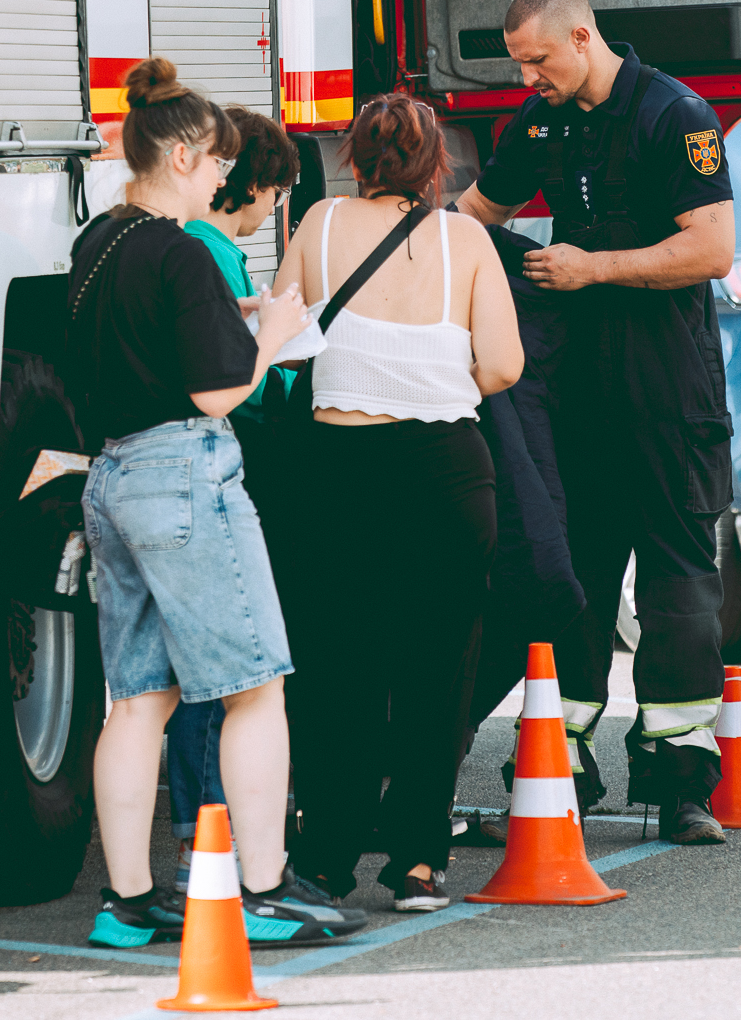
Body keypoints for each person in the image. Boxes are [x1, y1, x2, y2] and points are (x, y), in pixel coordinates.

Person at [74, 58, 366, 948]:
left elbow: (142, 343)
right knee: (256, 686)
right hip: (184, 474)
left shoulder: (100, 240)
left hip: (112, 475)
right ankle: (265, 888)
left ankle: (128, 901)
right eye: (215, 162)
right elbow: (216, 392)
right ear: (182, 155)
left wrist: (224, 315)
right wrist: (270, 333)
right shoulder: (180, 249)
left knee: (137, 699)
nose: (222, 179)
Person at [455, 0, 738, 845]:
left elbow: (713, 247)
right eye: (519, 63)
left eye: (537, 59)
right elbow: (474, 219)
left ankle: (682, 781)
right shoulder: (539, 121)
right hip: (573, 390)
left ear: (582, 36)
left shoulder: (674, 114)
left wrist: (592, 267)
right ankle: (558, 768)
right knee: (570, 581)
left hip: (668, 388)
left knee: (678, 588)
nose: (527, 77)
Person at [277, 92, 522, 912]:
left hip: (338, 469)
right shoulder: (467, 240)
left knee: (337, 665)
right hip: (446, 470)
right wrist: (434, 378)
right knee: (438, 667)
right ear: (434, 163)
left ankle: (325, 858)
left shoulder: (317, 224)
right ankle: (419, 860)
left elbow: (284, 340)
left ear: (355, 155)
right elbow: (505, 365)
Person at [162, 106, 302, 895]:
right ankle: (221, 842)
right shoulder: (209, 254)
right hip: (222, 463)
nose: (271, 209)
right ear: (252, 184)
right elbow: (230, 380)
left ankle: (201, 837)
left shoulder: (171, 246)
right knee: (232, 666)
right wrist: (280, 344)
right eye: (276, 192)